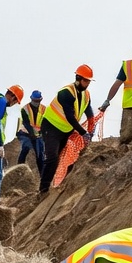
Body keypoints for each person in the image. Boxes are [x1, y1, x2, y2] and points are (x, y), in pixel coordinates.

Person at [39, 66, 96, 195]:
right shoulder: (66, 92)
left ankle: (57, 183)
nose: (87, 84)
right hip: (51, 127)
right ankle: (43, 189)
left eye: (89, 81)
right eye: (85, 81)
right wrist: (83, 132)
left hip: (65, 130)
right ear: (78, 79)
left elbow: (89, 111)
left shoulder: (86, 94)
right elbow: (70, 116)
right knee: (52, 157)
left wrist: (92, 124)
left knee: (60, 157)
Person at [17, 90, 46, 173]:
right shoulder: (25, 109)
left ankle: (42, 175)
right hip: (25, 133)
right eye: (34, 100)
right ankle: (19, 170)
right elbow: (26, 123)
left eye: (37, 101)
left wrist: (42, 133)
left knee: (40, 154)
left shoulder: (44, 109)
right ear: (31, 99)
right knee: (26, 147)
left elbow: (45, 123)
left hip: (38, 134)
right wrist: (32, 134)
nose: (36, 102)